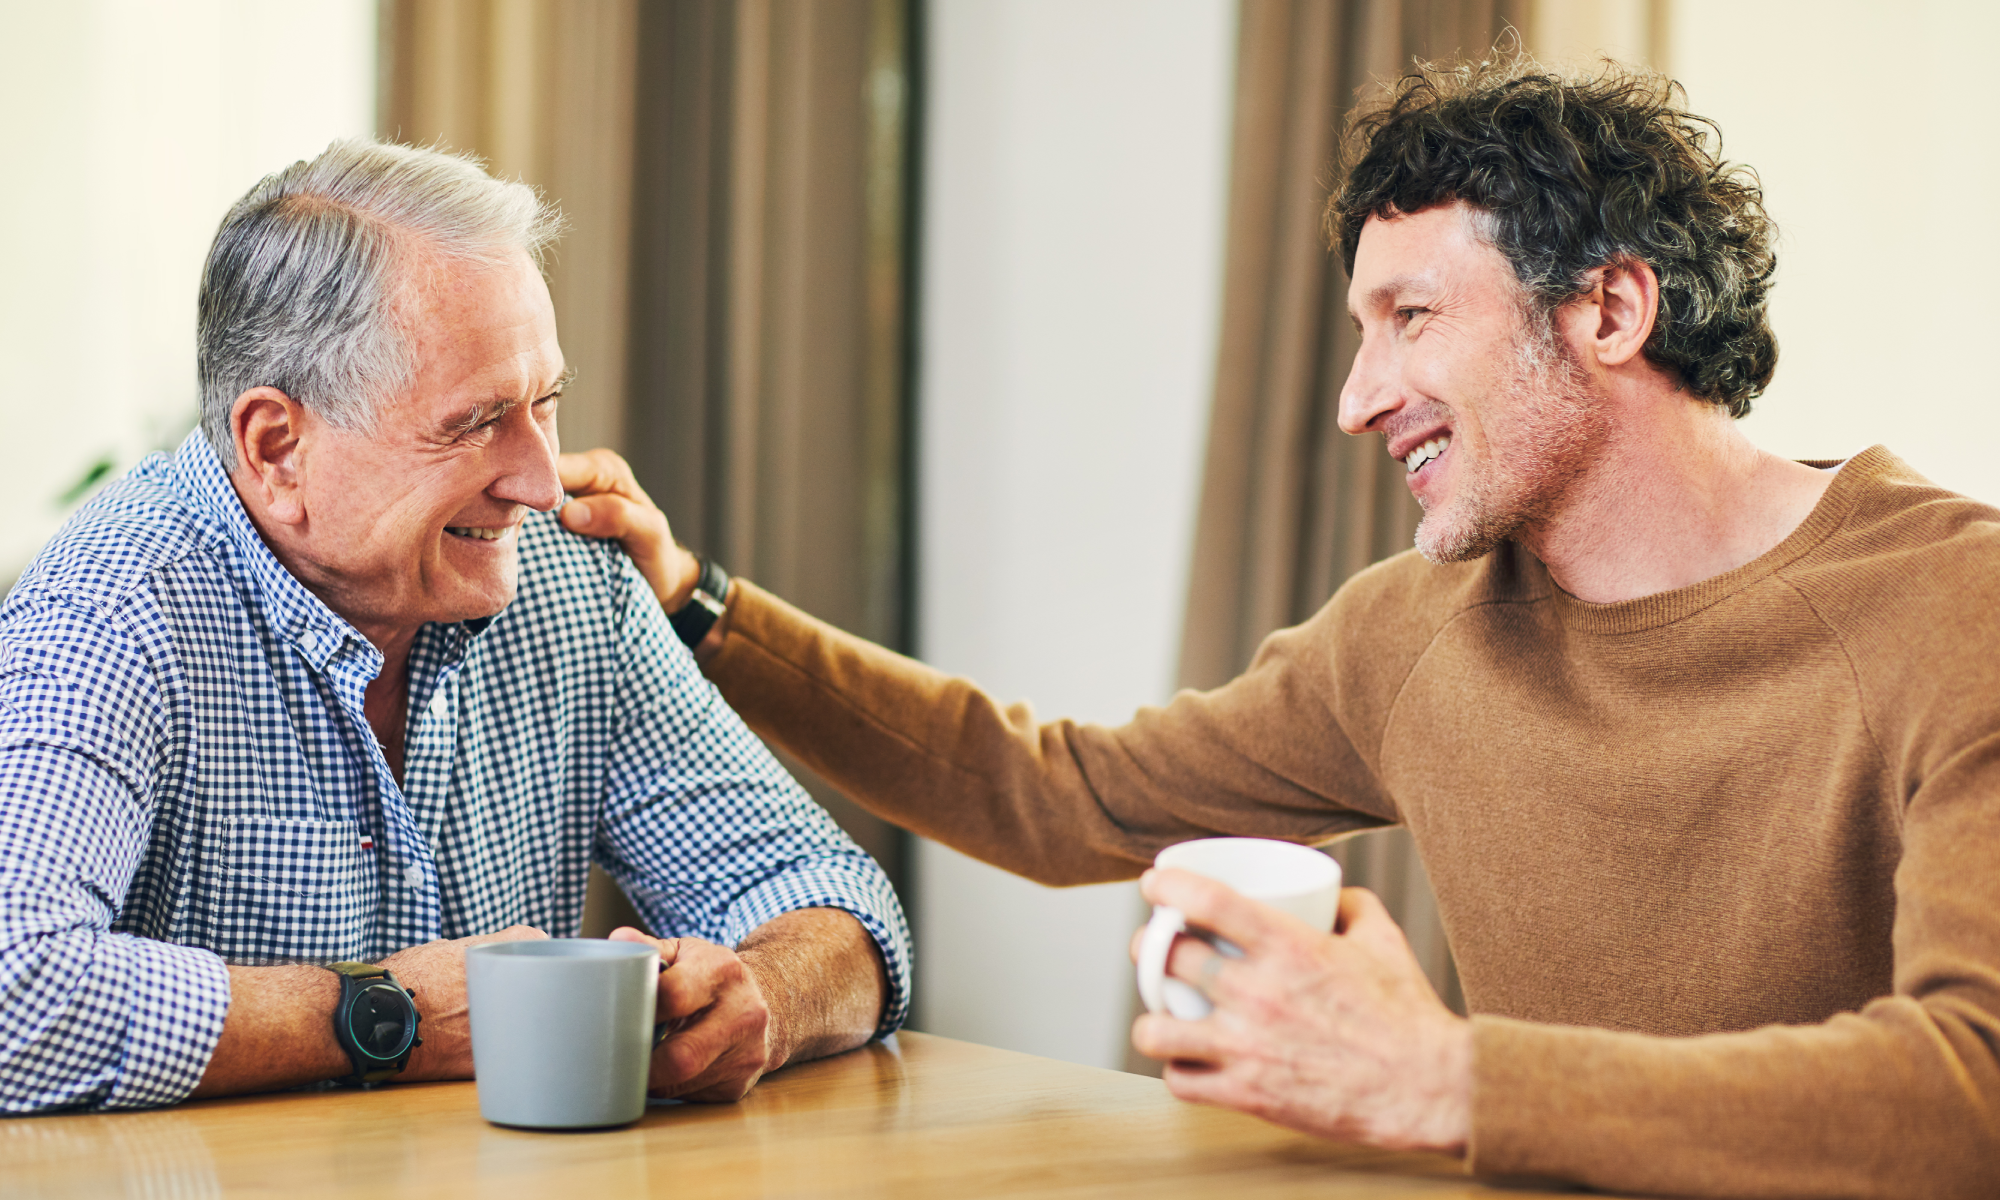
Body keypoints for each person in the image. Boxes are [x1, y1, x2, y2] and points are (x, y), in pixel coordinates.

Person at [556, 59, 1999, 1198]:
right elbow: (1060, 795)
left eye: (1411, 317)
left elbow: (1972, 1088)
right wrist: (700, 606)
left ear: (1612, 309)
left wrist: (1441, 1080)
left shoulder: (1953, 608)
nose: (1358, 400)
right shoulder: (1413, 636)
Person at [0, 140, 909, 1114]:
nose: (540, 481)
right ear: (278, 448)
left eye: (545, 403)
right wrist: (390, 1016)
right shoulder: (110, 610)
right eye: (476, 423)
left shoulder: (568, 578)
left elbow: (837, 900)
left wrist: (762, 995)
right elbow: (17, 989)